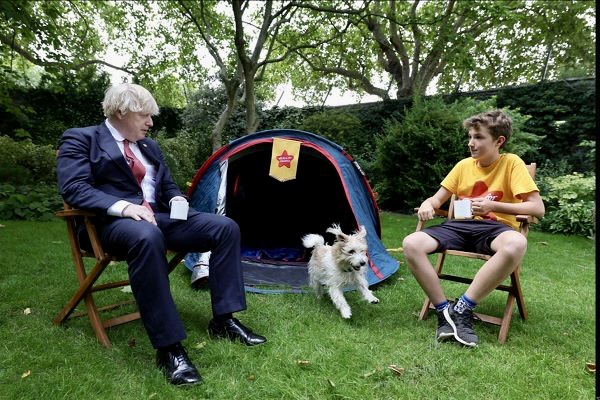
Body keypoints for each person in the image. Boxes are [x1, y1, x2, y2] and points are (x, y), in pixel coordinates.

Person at [56, 83, 266, 386]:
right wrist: (125, 208)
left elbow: (166, 186)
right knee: (146, 236)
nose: (151, 123)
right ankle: (169, 348)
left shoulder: (149, 147)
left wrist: (177, 198)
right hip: (109, 225)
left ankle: (224, 320)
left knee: (225, 227)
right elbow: (74, 188)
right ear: (121, 112)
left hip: (159, 219)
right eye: (145, 116)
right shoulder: (82, 139)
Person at [402, 110, 544, 347]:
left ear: (499, 141)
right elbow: (436, 199)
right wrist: (428, 204)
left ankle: (463, 307)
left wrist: (493, 206)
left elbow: (537, 208)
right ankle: (443, 310)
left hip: (495, 229)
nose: (471, 143)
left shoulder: (511, 163)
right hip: (458, 226)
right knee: (411, 243)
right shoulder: (463, 165)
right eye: (470, 137)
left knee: (517, 243)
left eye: (478, 137)